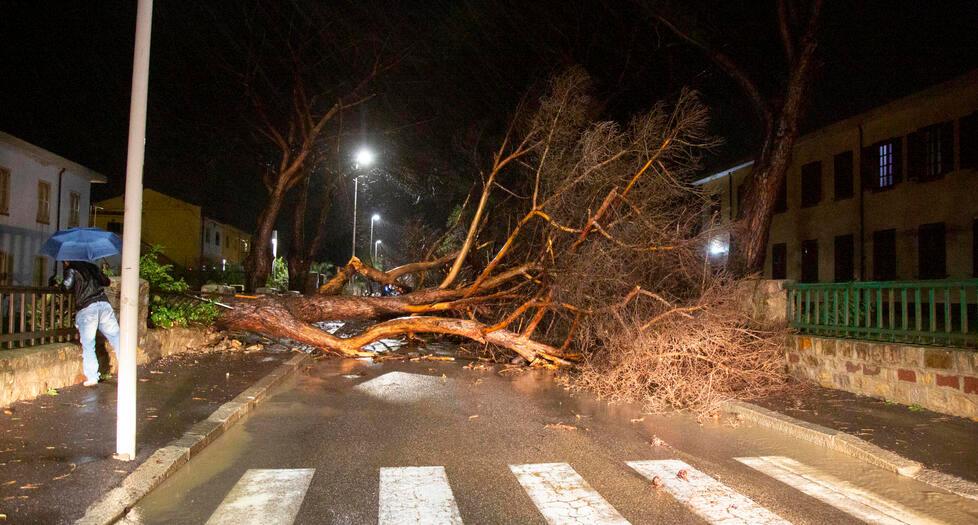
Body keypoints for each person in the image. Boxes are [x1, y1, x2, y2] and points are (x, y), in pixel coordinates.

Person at [59, 261, 121, 386]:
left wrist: (59, 284)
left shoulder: (72, 268)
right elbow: (106, 281)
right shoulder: (92, 266)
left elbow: (66, 286)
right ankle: (127, 370)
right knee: (116, 338)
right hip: (104, 304)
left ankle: (92, 376)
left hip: (87, 308)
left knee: (88, 343)